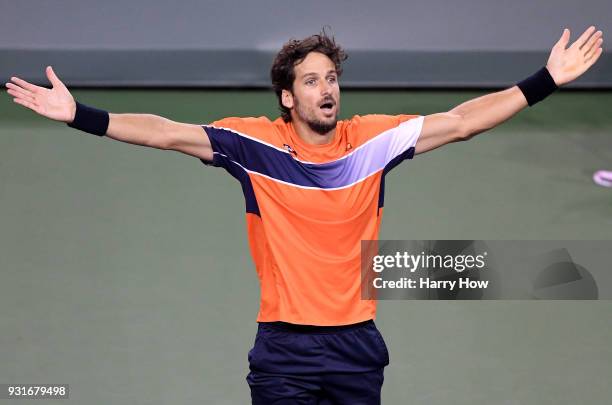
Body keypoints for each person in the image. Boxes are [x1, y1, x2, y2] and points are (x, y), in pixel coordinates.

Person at [5, 26, 603, 404]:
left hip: (356, 345)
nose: (327, 89)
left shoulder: (373, 142)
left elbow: (463, 120)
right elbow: (165, 133)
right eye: (312, 80)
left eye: (333, 79)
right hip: (284, 350)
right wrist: (79, 113)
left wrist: (546, 79)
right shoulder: (253, 145)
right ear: (288, 97)